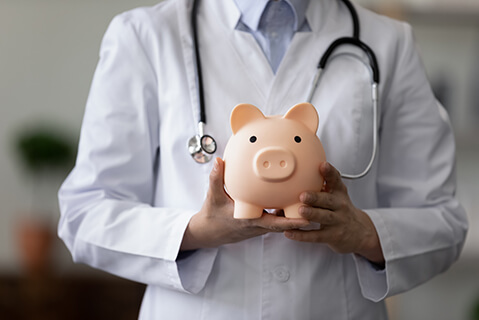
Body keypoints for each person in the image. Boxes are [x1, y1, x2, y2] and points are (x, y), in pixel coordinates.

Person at [58, 0, 468, 319]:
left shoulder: (387, 42)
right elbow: (85, 214)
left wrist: (363, 233)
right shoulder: (146, 36)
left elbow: (444, 221)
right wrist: (195, 232)